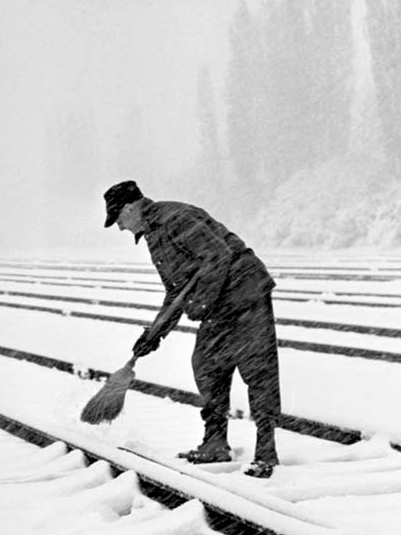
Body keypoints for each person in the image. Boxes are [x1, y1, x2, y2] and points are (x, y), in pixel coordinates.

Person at [103, 180, 281, 478]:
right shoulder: (154, 235)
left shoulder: (177, 218)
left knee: (258, 370)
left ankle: (266, 452)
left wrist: (202, 301)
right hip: (220, 302)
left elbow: (219, 255)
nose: (120, 227)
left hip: (245, 291)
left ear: (131, 208)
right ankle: (214, 443)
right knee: (207, 365)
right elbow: (176, 291)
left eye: (118, 219)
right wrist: (154, 334)